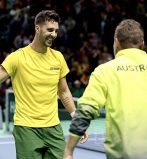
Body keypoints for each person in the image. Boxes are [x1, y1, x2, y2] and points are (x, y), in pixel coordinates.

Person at [64, 19, 147, 159]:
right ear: (143, 44)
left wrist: (68, 151)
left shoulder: (104, 72)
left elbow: (85, 111)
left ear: (116, 42)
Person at [0, 10, 87, 159]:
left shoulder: (58, 57)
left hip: (53, 128)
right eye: (50, 30)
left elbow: (64, 92)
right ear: (37, 28)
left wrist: (76, 118)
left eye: (56, 31)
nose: (53, 34)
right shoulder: (17, 58)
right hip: (27, 128)